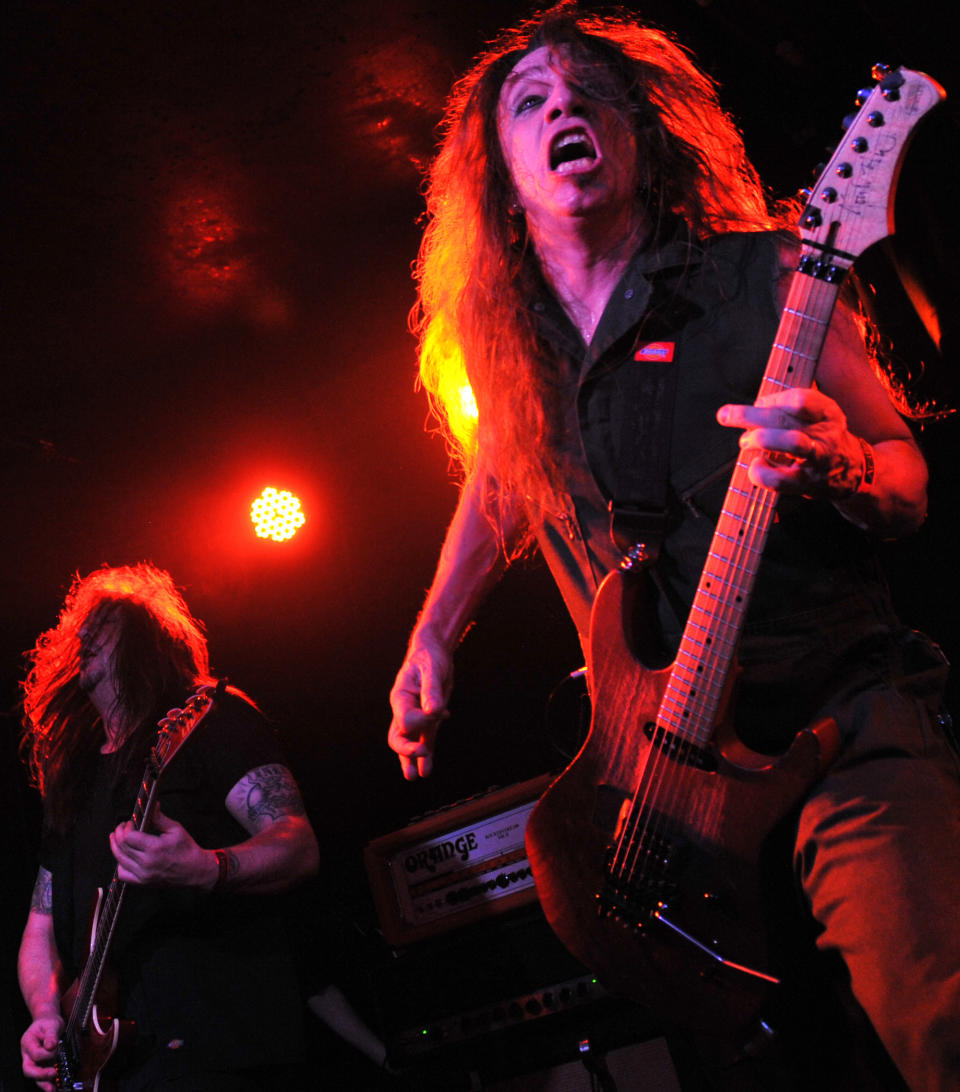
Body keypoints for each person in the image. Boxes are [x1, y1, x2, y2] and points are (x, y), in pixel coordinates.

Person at [387, 5, 960, 1088]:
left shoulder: (769, 277)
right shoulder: (512, 348)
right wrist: (433, 633)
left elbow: (906, 477)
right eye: (531, 98)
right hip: (664, 789)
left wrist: (841, 460)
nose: (564, 105)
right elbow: (504, 477)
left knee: (935, 1018)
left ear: (645, 134)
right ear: (499, 171)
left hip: (835, 724)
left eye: (592, 90)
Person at [18, 563, 320, 1091]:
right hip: (115, 1070)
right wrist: (46, 1014)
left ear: (145, 638)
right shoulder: (74, 776)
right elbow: (40, 928)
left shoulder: (207, 720)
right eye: (78, 629)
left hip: (220, 1041)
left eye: (102, 623)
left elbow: (296, 844)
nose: (82, 635)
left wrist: (208, 868)